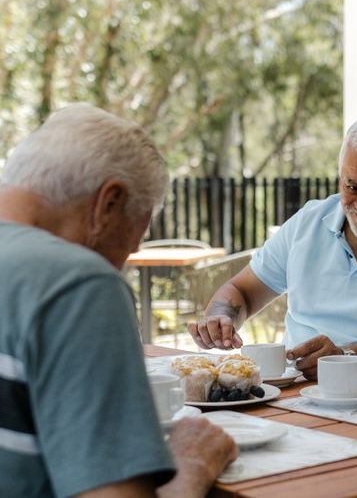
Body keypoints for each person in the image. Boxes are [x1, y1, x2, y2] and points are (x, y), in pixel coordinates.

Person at [0, 103, 238, 498]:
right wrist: (193, 464)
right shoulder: (77, 284)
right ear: (109, 203)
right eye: (137, 232)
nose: (133, 252)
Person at [189, 112, 357, 383]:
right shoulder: (309, 222)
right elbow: (242, 291)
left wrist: (342, 358)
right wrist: (219, 319)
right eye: (352, 186)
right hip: (292, 395)